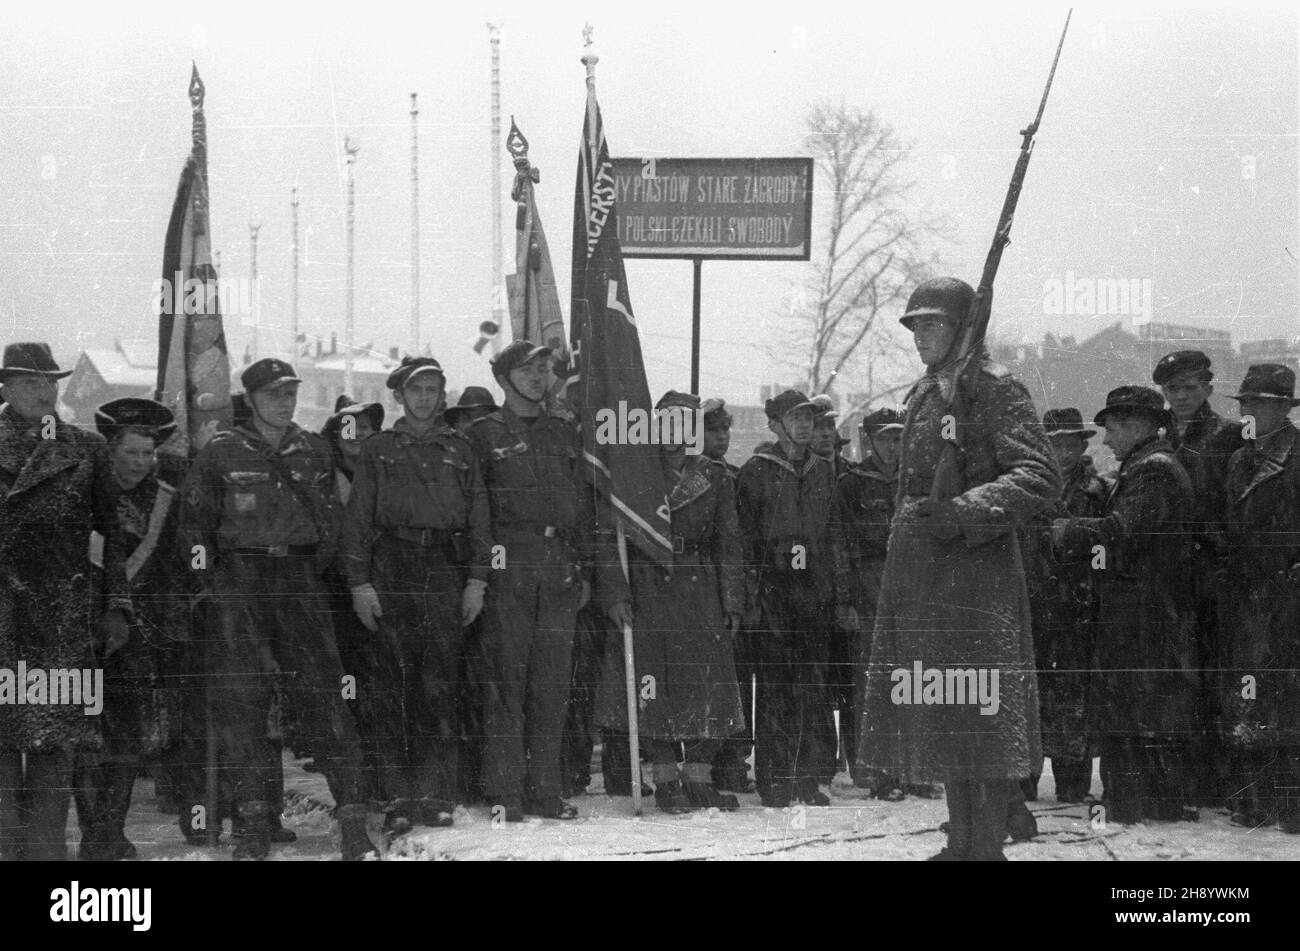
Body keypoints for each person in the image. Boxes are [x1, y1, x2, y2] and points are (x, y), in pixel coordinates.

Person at [857, 278, 1059, 861]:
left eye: (932, 324)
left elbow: (1039, 476)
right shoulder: (926, 394)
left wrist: (962, 513)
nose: (920, 336)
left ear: (965, 328)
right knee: (944, 709)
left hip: (975, 577)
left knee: (982, 711)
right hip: (924, 580)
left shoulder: (996, 389)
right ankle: (961, 842)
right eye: (915, 325)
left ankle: (984, 846)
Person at [179, 357, 374, 860]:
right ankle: (250, 824)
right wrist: (212, 585)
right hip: (240, 584)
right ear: (252, 398)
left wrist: (309, 569)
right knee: (242, 705)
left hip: (299, 583)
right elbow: (194, 528)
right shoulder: (220, 453)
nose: (283, 401)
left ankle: (353, 822)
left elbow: (333, 520)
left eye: (290, 392)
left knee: (326, 701)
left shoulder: (313, 449)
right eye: (272, 394)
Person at [342, 356, 487, 834]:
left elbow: (479, 518)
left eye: (433, 389)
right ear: (399, 396)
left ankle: (434, 793)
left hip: (443, 569)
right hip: (393, 569)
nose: (425, 398)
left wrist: (476, 580)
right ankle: (399, 793)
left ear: (442, 394)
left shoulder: (461, 448)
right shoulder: (379, 449)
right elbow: (359, 519)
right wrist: (360, 584)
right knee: (393, 687)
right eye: (416, 389)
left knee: (439, 685)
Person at [0, 343, 132, 862]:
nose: (45, 390)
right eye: (31, 381)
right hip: (3, 617)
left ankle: (46, 860)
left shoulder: (85, 448)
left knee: (56, 748)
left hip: (61, 619)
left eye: (50, 381)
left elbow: (111, 537)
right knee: (3, 748)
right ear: (5, 388)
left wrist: (117, 604)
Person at [1052, 385, 1197, 825]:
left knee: (1132, 709)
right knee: (1139, 709)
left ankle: (1132, 802)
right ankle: (1143, 800)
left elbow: (1121, 533)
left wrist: (1069, 531)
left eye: (1112, 429)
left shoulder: (1153, 472)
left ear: (1136, 426)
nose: (1107, 440)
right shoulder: (1147, 468)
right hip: (1142, 608)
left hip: (1142, 612)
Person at [600, 391, 746, 813]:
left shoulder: (714, 476)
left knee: (709, 684)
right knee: (653, 684)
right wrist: (614, 593)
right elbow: (609, 538)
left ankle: (698, 775)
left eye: (683, 423)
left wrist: (732, 600)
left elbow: (729, 542)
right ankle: (665, 779)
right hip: (647, 586)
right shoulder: (633, 477)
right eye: (665, 422)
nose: (674, 433)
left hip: (698, 587)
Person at [468, 341, 594, 821]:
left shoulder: (564, 430)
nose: (540, 377)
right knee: (506, 683)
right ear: (504, 379)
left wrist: (582, 565)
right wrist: (482, 575)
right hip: (508, 562)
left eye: (544, 368)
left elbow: (583, 504)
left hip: (558, 563)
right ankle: (506, 791)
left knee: (551, 684)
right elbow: (476, 511)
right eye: (528, 370)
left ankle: (545, 788)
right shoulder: (482, 434)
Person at [74, 398, 188, 860]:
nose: (141, 463)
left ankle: (108, 833)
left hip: (138, 631)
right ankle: (92, 837)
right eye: (131, 452)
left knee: (128, 737)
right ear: (109, 450)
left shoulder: (163, 499)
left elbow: (175, 564)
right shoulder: (80, 489)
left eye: (148, 453)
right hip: (79, 625)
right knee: (83, 735)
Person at [737, 389, 850, 807]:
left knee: (811, 688)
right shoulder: (756, 472)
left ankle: (806, 778)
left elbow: (836, 537)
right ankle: (774, 778)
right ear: (774, 424)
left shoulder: (823, 472)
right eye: (795, 417)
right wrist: (752, 596)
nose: (804, 425)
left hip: (814, 595)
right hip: (774, 594)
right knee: (775, 688)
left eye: (808, 417)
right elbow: (744, 541)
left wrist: (841, 596)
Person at [1153, 350, 1243, 806]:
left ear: (1208, 388)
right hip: (1167, 573)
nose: (1182, 397)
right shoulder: (1157, 435)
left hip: (1212, 571)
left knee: (1213, 673)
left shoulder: (1228, 435)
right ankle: (1181, 778)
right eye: (1173, 390)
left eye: (1190, 388)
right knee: (1174, 676)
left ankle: (1218, 780)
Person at [1216, 364, 1300, 832]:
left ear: (1282, 409)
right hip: (1246, 597)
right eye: (1245, 403)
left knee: (1288, 699)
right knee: (1247, 697)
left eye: (1260, 404)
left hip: (1289, 597)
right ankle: (1253, 801)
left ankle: (1291, 805)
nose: (1248, 411)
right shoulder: (1239, 460)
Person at [1023, 408, 1109, 804]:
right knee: (1030, 696)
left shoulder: (1099, 491)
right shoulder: (1025, 489)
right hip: (1032, 605)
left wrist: (1085, 572)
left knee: (1073, 698)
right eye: (1054, 442)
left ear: (1081, 444)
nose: (1062, 450)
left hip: (1077, 608)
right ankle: (1023, 780)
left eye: (1069, 442)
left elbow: (1105, 550)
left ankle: (1072, 783)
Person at [838, 408, 904, 798]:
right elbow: (839, 545)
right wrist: (845, 600)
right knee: (870, 681)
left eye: (897, 438)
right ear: (869, 440)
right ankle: (873, 769)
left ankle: (910, 768)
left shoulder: (916, 481)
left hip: (909, 589)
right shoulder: (852, 484)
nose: (892, 447)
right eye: (884, 439)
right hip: (867, 587)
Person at [703, 399, 756, 794]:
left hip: (728, 589)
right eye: (712, 430)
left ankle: (733, 759)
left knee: (733, 680)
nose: (721, 437)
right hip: (700, 587)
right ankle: (707, 762)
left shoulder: (733, 477)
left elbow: (738, 543)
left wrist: (736, 598)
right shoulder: (692, 476)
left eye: (725, 430)